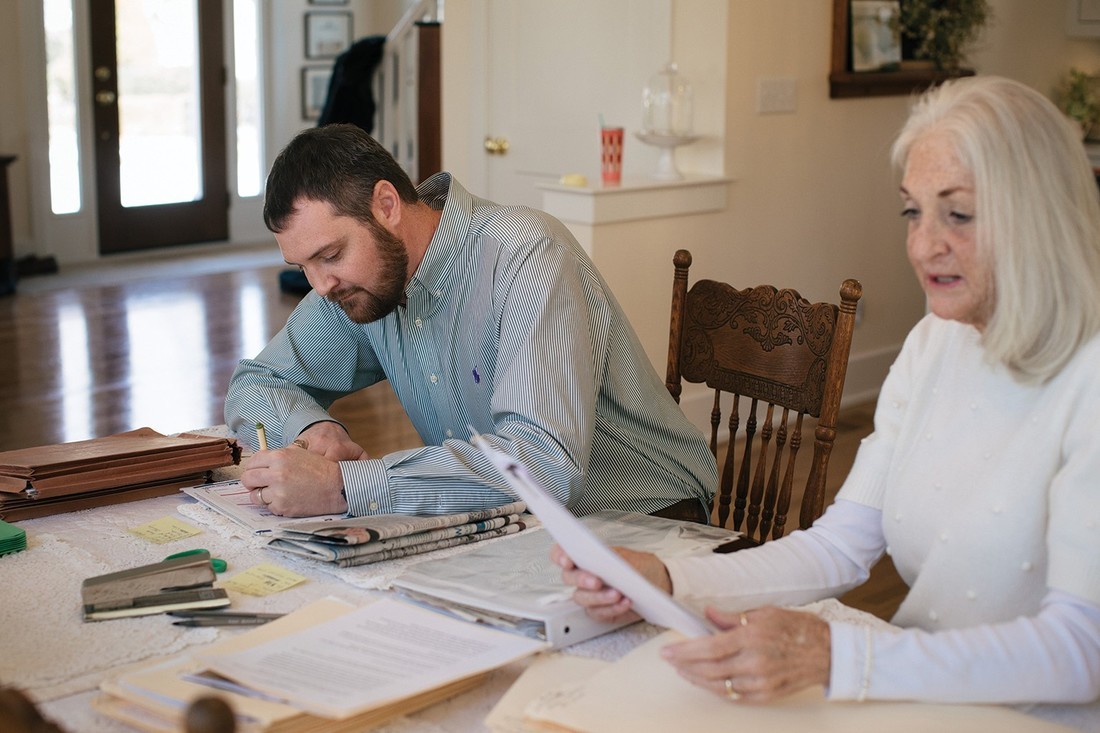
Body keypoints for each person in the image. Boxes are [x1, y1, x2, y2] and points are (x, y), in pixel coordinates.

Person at [553, 75, 1100, 730]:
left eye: (957, 213)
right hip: (921, 695)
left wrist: (846, 657)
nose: (924, 245)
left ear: (1036, 212)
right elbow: (839, 546)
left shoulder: (1089, 377)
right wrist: (666, 578)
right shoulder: (934, 343)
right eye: (913, 211)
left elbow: (1081, 648)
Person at [224, 123, 716, 522]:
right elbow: (255, 383)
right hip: (517, 521)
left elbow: (542, 468)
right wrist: (316, 427)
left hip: (647, 517)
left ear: (386, 205)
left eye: (330, 255)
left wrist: (343, 486)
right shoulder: (359, 286)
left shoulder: (526, 254)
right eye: (304, 267)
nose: (320, 285)